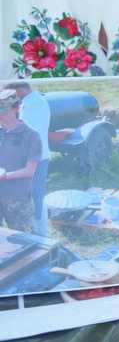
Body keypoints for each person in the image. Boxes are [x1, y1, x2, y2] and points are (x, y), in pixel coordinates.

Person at [6, 81, 50, 236]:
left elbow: (24, 135)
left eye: (12, 94)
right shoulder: (36, 101)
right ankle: (38, 228)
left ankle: (38, 232)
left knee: (33, 195)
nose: (12, 98)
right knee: (36, 193)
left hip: (33, 158)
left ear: (20, 90)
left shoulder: (31, 106)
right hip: (39, 155)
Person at [0, 89, 41, 233]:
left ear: (16, 108)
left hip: (17, 198)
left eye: (3, 110)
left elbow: (30, 171)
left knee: (24, 239)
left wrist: (4, 176)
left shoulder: (31, 136)